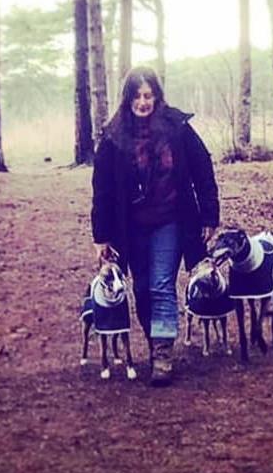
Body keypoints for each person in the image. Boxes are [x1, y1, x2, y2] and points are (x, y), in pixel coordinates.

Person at [91, 65, 219, 386]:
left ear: (157, 96)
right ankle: (154, 339)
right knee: (141, 287)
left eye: (149, 95)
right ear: (128, 98)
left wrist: (209, 215)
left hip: (171, 219)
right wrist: (101, 236)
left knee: (162, 282)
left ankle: (163, 353)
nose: (144, 102)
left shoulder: (176, 127)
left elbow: (203, 168)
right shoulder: (113, 136)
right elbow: (102, 189)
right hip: (130, 226)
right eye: (137, 96)